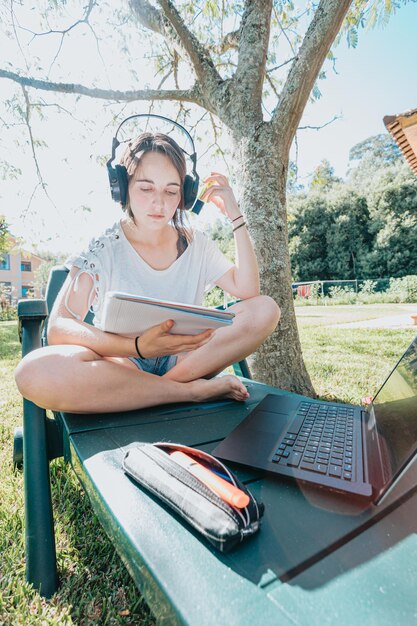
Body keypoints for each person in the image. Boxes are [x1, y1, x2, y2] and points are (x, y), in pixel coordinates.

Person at [15, 132, 280, 413]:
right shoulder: (104, 247)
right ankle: (187, 393)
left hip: (186, 359)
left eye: (171, 190)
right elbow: (59, 328)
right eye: (146, 188)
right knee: (32, 372)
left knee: (266, 309)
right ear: (123, 187)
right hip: (122, 362)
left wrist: (235, 216)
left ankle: (154, 391)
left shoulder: (196, 244)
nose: (159, 203)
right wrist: (139, 346)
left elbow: (249, 291)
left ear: (185, 194)